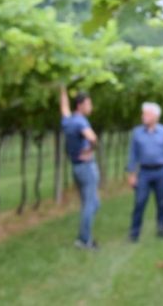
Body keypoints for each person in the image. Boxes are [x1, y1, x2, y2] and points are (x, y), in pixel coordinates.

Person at [126, 102, 163, 242]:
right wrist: (131, 173)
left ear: (156, 116)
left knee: (162, 202)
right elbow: (133, 154)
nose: (143, 116)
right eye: (143, 114)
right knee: (139, 201)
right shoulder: (137, 133)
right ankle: (134, 232)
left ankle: (162, 228)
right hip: (144, 172)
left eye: (147, 114)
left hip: (161, 171)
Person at [60, 86, 100, 250]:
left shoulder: (69, 120)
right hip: (86, 166)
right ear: (80, 105)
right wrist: (90, 150)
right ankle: (84, 240)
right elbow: (93, 138)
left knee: (92, 203)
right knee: (90, 204)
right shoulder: (80, 121)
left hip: (76, 167)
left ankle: (84, 237)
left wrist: (63, 90)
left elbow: (64, 107)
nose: (91, 107)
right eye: (88, 104)